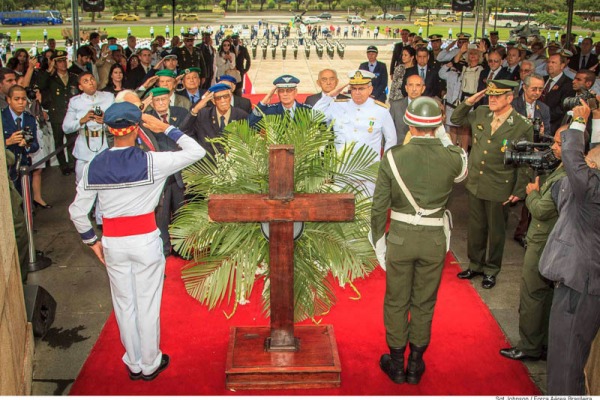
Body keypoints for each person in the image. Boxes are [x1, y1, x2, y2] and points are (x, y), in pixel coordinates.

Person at [68, 101, 206, 381]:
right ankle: (150, 362)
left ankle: (133, 362)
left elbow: (77, 212)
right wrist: (166, 128)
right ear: (137, 128)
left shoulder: (94, 164)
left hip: (113, 242)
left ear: (109, 130)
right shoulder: (152, 162)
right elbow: (197, 151)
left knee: (123, 303)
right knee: (147, 301)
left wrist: (93, 241)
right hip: (144, 240)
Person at [371, 96, 467, 385]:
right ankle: (415, 365)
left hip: (400, 239)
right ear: (438, 125)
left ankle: (397, 364)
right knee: (425, 301)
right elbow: (462, 171)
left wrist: (378, 242)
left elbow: (379, 207)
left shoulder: (393, 156)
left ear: (409, 124)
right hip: (434, 240)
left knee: (397, 300)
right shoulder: (452, 157)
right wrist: (445, 138)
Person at [538, 100, 600, 395]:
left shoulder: (592, 189)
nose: (585, 162)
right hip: (586, 283)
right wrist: (596, 121)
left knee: (565, 363)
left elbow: (575, 159)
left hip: (580, 286)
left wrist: (579, 121)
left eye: (590, 162)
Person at [451, 80, 533, 289]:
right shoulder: (481, 113)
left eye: (498, 96)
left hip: (500, 186)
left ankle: (491, 269)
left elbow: (525, 162)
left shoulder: (522, 125)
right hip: (477, 183)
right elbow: (456, 118)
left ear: (509, 98)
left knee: (496, 232)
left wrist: (519, 190)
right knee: (476, 229)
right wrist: (471, 100)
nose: (492, 99)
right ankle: (475, 265)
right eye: (490, 95)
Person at [499, 125, 567, 362]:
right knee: (546, 295)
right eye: (555, 142)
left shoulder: (565, 175)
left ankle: (529, 346)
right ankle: (544, 343)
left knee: (532, 295)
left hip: (542, 241)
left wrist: (532, 192)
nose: (554, 148)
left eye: (559, 144)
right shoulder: (561, 169)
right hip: (552, 241)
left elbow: (541, 209)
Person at [313, 70, 397, 196]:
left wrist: (383, 167)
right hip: (342, 171)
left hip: (367, 172)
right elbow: (314, 116)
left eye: (361, 88)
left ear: (370, 89)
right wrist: (329, 96)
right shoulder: (338, 106)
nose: (357, 93)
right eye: (354, 88)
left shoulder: (381, 110)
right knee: (342, 212)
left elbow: (391, 140)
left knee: (366, 211)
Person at [36, 50, 79, 176]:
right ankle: (63, 165)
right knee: (59, 142)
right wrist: (49, 70)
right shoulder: (50, 78)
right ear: (55, 63)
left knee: (72, 141)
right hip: (57, 114)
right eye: (59, 61)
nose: (63, 63)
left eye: (64, 60)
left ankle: (72, 164)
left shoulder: (73, 77)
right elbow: (41, 85)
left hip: (71, 114)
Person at [182, 82, 249, 157]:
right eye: (218, 98)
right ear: (213, 101)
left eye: (225, 96)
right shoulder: (203, 115)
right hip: (208, 163)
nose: (223, 100)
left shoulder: (241, 115)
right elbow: (185, 130)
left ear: (230, 96)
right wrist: (196, 109)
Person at [2, 85, 40, 194]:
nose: (20, 102)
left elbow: (35, 145)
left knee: (26, 200)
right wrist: (7, 142)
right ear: (9, 100)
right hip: (6, 168)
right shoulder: (2, 118)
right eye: (16, 99)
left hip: (24, 167)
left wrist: (27, 145)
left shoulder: (29, 119)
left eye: (23, 99)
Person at [540, 53, 576, 135]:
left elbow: (562, 108)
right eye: (548, 62)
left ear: (562, 65)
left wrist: (543, 117)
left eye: (553, 62)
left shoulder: (568, 84)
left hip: (553, 127)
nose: (549, 65)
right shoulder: (542, 80)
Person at [390, 75, 425, 144]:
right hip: (399, 148)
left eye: (418, 85)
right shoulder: (395, 106)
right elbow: (388, 131)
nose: (414, 89)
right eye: (411, 85)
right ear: (406, 88)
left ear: (423, 89)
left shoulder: (428, 107)